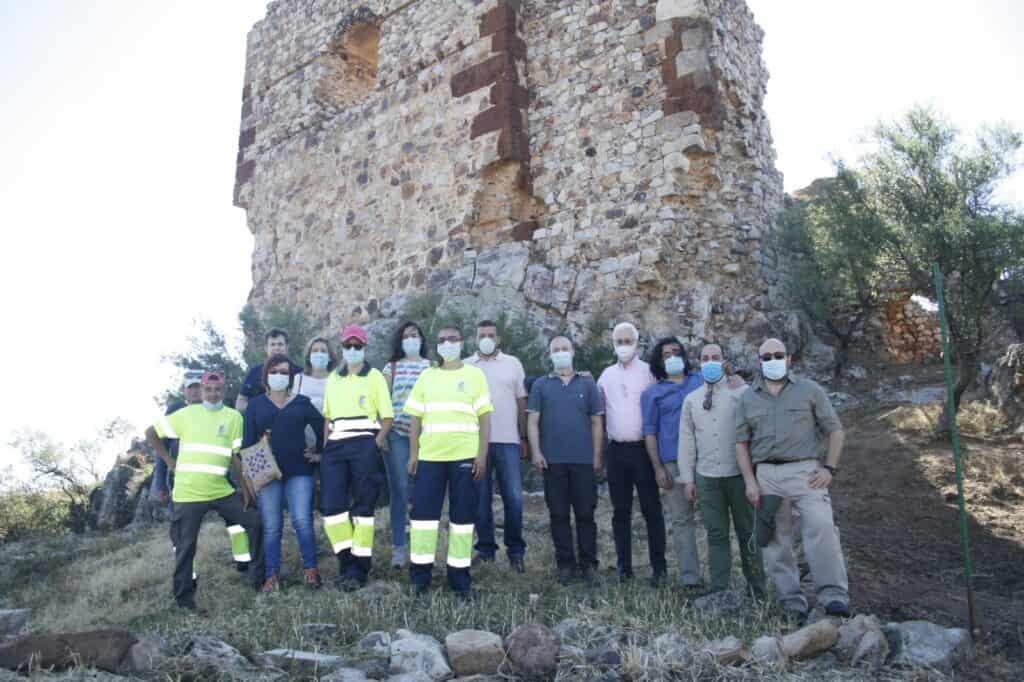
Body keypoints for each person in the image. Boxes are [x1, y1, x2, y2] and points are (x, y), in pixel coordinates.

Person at [735, 337, 850, 622]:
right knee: (776, 540)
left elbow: (835, 430)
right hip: (767, 477)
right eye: (766, 356)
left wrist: (829, 468)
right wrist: (750, 481)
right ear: (759, 362)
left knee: (822, 528)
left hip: (806, 473)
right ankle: (791, 602)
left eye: (778, 355)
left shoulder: (810, 390)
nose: (772, 360)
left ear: (788, 359)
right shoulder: (748, 398)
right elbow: (741, 443)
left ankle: (834, 596)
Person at [144, 371, 264, 612]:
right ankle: (184, 600)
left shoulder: (233, 418)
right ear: (201, 390)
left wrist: (246, 487)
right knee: (185, 545)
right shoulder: (186, 414)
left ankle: (257, 579)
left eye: (217, 389)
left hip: (221, 491)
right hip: (188, 494)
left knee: (255, 522)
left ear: (224, 390)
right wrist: (169, 461)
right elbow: (151, 433)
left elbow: (236, 456)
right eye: (208, 389)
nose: (212, 393)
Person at [404, 325, 493, 599]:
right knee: (423, 520)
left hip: (465, 456)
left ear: (462, 343)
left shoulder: (475, 375)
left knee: (463, 520)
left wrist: (481, 455)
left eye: (452, 339)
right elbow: (415, 419)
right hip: (430, 457)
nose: (447, 344)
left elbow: (485, 417)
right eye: (441, 340)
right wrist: (413, 454)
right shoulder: (426, 377)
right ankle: (420, 578)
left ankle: (459, 579)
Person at [679, 343, 765, 597]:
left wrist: (744, 387)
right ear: (699, 363)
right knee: (716, 535)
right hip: (707, 479)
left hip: (739, 476)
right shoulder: (692, 400)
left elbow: (759, 416)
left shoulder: (740, 393)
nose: (710, 362)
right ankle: (719, 590)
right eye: (705, 358)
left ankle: (757, 588)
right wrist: (688, 479)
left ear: (724, 361)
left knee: (747, 533)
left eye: (715, 357)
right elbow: (686, 441)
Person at [242, 355, 325, 592]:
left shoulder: (302, 402)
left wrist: (319, 453)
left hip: (300, 471)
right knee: (271, 526)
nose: (279, 375)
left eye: (284, 372)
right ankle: (272, 576)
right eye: (275, 371)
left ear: (291, 377)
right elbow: (248, 443)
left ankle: (311, 571)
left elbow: (323, 429)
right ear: (266, 374)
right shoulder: (256, 405)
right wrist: (251, 479)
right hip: (268, 474)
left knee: (302, 521)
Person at [320, 324, 393, 591]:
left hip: (365, 442)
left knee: (363, 507)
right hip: (336, 446)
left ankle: (359, 569)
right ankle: (345, 560)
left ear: (364, 348)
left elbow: (387, 416)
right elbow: (328, 416)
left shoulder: (374, 376)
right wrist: (326, 445)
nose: (352, 350)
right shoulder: (333, 378)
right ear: (341, 348)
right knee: (331, 507)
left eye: (357, 346)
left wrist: (376, 443)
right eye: (348, 346)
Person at [526, 336, 604, 586]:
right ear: (550, 354)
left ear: (573, 351)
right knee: (558, 514)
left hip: (582, 460)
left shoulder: (588, 384)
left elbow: (596, 421)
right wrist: (536, 452)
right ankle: (565, 565)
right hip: (553, 461)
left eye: (565, 348)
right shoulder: (540, 385)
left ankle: (589, 565)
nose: (561, 353)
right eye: (556, 349)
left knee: (585, 514)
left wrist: (596, 455)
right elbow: (533, 421)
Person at [597, 322, 665, 584]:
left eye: (628, 340)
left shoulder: (649, 373)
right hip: (616, 452)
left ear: (637, 343)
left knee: (652, 509)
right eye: (619, 341)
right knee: (620, 512)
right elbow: (599, 417)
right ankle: (624, 569)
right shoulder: (606, 376)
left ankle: (659, 568)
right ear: (613, 344)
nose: (623, 345)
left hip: (643, 451)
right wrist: (601, 455)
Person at [640, 337, 704, 587]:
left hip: (706, 460)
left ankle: (722, 578)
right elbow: (650, 432)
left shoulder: (700, 382)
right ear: (659, 360)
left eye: (676, 352)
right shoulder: (652, 394)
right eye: (666, 354)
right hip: (673, 463)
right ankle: (690, 578)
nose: (672, 357)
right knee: (681, 520)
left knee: (715, 520)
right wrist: (657, 468)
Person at [465, 320, 528, 571]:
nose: (487, 339)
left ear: (498, 339)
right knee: (480, 500)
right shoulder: (466, 366)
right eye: (482, 335)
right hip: (475, 443)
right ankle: (486, 550)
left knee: (514, 498)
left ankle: (516, 552)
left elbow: (522, 401)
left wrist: (523, 437)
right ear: (475, 338)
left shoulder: (513, 364)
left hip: (508, 441)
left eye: (491, 335)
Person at [381, 321, 432, 569]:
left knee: (424, 492)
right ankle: (399, 549)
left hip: (428, 436)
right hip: (397, 435)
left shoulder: (432, 367)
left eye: (415, 334)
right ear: (400, 342)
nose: (411, 339)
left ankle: (423, 547)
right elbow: (383, 403)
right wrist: (382, 434)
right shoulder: (391, 368)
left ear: (422, 339)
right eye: (406, 336)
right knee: (400, 490)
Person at [151, 370, 204, 504]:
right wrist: (160, 484)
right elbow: (162, 445)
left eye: (198, 386)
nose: (194, 391)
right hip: (182, 479)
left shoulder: (218, 410)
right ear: (184, 391)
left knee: (237, 521)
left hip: (214, 477)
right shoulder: (176, 409)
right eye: (190, 387)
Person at [237, 329, 301, 413]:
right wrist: (260, 410)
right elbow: (240, 403)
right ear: (266, 348)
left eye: (280, 344)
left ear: (287, 347)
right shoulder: (254, 373)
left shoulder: (299, 372)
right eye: (272, 345)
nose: (276, 348)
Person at [292, 336, 336, 413]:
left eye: (323, 351)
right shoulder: (298, 379)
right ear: (308, 356)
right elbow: (293, 408)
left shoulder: (337, 380)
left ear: (330, 357)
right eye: (315, 351)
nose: (319, 354)